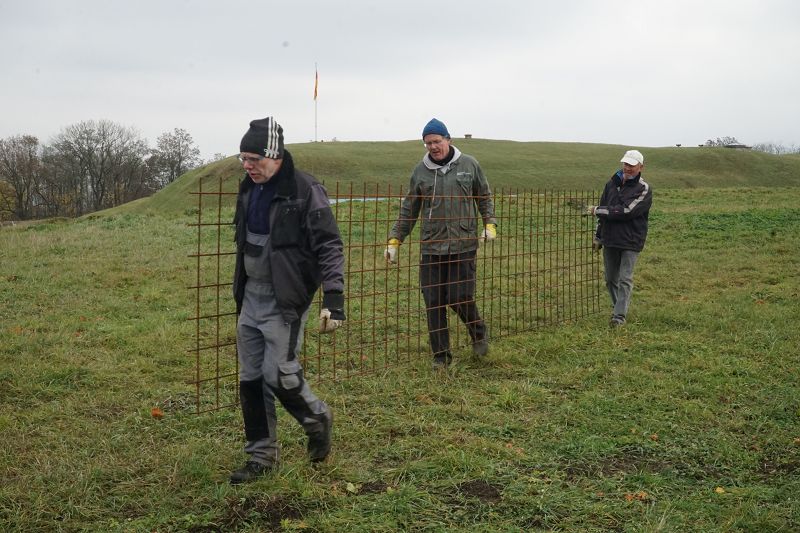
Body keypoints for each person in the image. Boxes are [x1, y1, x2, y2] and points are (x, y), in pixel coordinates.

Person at [230, 116, 346, 484]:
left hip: (286, 299)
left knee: (278, 374)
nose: (248, 167)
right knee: (250, 379)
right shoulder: (248, 188)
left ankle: (316, 418)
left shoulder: (305, 189)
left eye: (254, 159)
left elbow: (329, 244)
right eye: (243, 159)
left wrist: (334, 297)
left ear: (274, 155)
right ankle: (261, 457)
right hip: (251, 295)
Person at [385, 118, 497, 368]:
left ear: (448, 139)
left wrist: (489, 223)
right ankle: (441, 356)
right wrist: (395, 239)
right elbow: (409, 209)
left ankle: (478, 331)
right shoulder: (420, 172)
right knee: (433, 301)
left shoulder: (469, 164)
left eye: (437, 141)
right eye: (428, 143)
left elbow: (484, 196)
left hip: (463, 244)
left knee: (459, 296)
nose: (433, 147)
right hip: (432, 246)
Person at [586, 149, 652, 327]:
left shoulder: (643, 189)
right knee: (610, 279)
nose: (627, 167)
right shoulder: (611, 184)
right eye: (625, 164)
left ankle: (619, 317)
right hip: (610, 239)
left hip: (631, 240)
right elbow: (605, 211)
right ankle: (618, 307)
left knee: (625, 278)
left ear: (641, 167)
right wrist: (598, 236)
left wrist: (596, 210)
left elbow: (628, 211)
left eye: (632, 165)